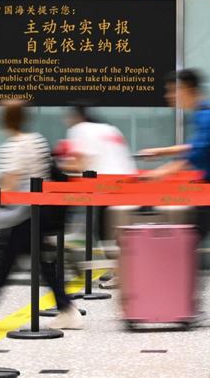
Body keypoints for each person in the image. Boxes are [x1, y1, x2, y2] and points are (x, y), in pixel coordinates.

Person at [141, 69, 210, 326]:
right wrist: (163, 152)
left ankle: (188, 307)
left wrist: (161, 172)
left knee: (186, 243)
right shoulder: (209, 113)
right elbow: (200, 147)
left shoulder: (207, 116)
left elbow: (199, 152)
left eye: (172, 90)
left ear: (187, 90)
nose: (169, 96)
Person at [0, 102, 82, 330]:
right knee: (38, 264)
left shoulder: (12, 147)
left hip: (22, 215)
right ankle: (67, 309)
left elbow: (10, 184)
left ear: (4, 120)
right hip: (39, 210)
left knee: (6, 266)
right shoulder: (37, 140)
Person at [59, 104, 137, 289]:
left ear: (76, 117)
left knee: (105, 232)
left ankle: (121, 275)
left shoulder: (79, 129)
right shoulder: (109, 128)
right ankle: (121, 270)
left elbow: (80, 164)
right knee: (117, 231)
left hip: (106, 187)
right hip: (128, 183)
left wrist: (57, 165)